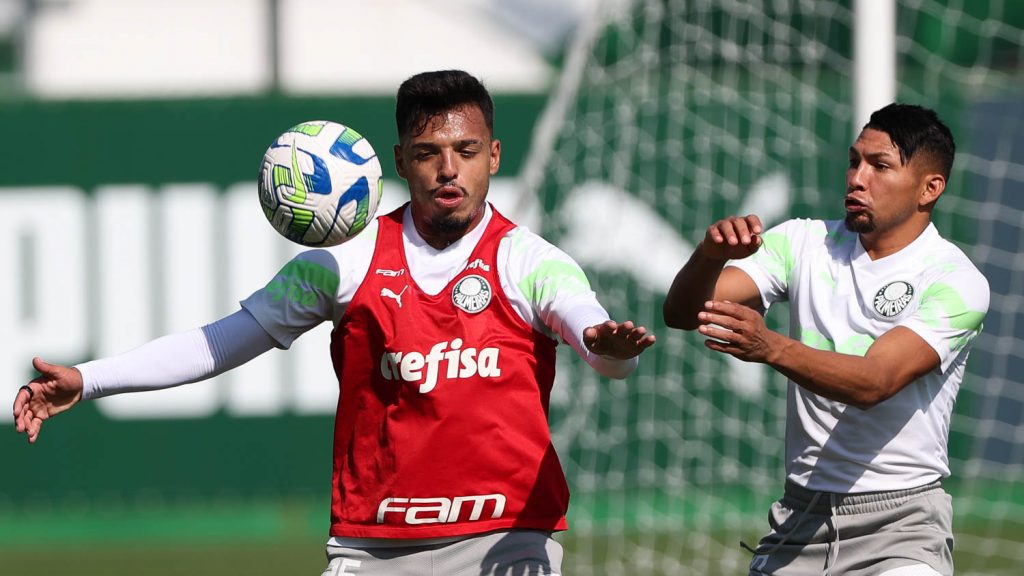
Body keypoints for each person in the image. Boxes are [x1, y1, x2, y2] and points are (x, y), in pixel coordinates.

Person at [13, 69, 656, 575]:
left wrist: (607, 346)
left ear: (492, 155)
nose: (448, 169)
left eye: (465, 150)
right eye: (429, 152)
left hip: (508, 543)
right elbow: (219, 342)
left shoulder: (529, 260)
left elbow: (598, 344)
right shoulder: (342, 264)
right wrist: (89, 380)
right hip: (372, 545)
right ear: (400, 162)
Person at [663, 103, 988, 576]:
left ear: (929, 188)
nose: (857, 178)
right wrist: (709, 256)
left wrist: (770, 346)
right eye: (854, 161)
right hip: (800, 521)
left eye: (880, 166)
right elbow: (681, 313)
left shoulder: (957, 280)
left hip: (901, 529)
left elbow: (874, 384)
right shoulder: (801, 242)